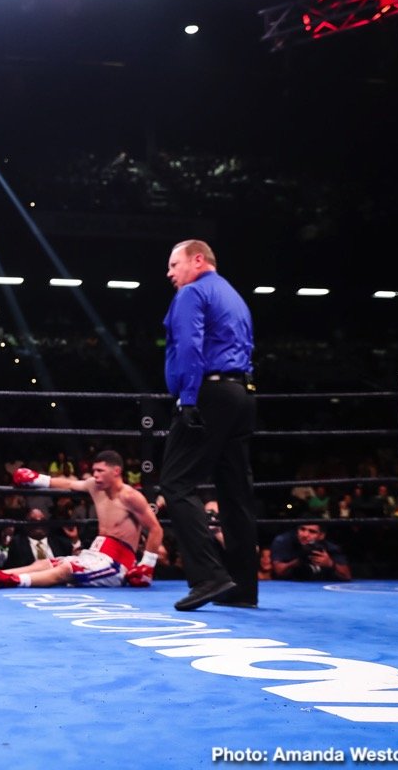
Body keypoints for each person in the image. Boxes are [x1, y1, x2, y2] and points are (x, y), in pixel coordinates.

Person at [158, 239, 258, 611]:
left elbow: (189, 346)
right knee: (235, 491)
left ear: (197, 260)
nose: (169, 273)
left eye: (174, 264)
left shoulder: (192, 293)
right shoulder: (233, 295)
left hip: (208, 392)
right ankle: (244, 588)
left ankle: (208, 576)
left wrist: (188, 397)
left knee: (175, 482)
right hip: (241, 393)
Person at [0, 451, 162, 589]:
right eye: (94, 470)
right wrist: (36, 479)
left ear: (116, 471)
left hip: (117, 565)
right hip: (95, 554)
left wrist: (147, 565)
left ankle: (12, 581)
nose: (95, 475)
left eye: (100, 471)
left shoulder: (130, 497)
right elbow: (69, 484)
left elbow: (156, 529)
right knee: (47, 563)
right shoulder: (95, 486)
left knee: (65, 569)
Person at [270, 522, 352, 581]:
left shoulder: (330, 547)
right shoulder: (284, 541)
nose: (305, 535)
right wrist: (297, 561)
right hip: (288, 588)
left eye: (312, 532)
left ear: (321, 536)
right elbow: (278, 571)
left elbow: (347, 576)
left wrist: (330, 563)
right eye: (302, 529)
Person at [3, 507, 75, 569]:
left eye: (42, 521)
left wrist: (75, 539)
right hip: (31, 580)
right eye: (33, 521)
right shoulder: (17, 542)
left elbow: (77, 560)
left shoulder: (60, 542)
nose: (38, 524)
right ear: (26, 525)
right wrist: (4, 545)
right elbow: (2, 563)